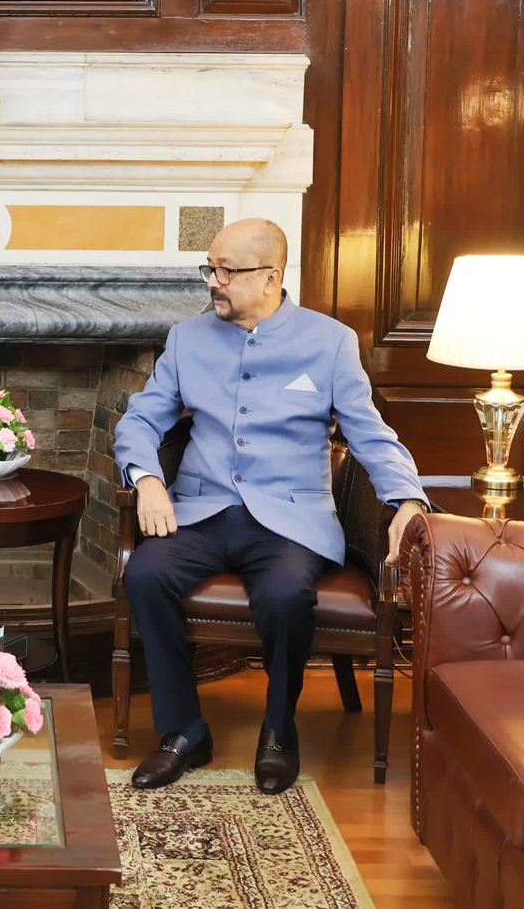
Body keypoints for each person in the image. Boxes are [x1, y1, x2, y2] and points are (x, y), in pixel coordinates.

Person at [114, 218, 428, 794]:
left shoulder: (329, 342)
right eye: (210, 267)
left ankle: (280, 730)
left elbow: (369, 433)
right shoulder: (187, 339)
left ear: (272, 277)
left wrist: (406, 497)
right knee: (146, 574)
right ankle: (183, 732)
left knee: (285, 596)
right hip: (203, 510)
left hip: (290, 519)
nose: (214, 280)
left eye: (226, 271)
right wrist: (148, 478)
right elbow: (140, 419)